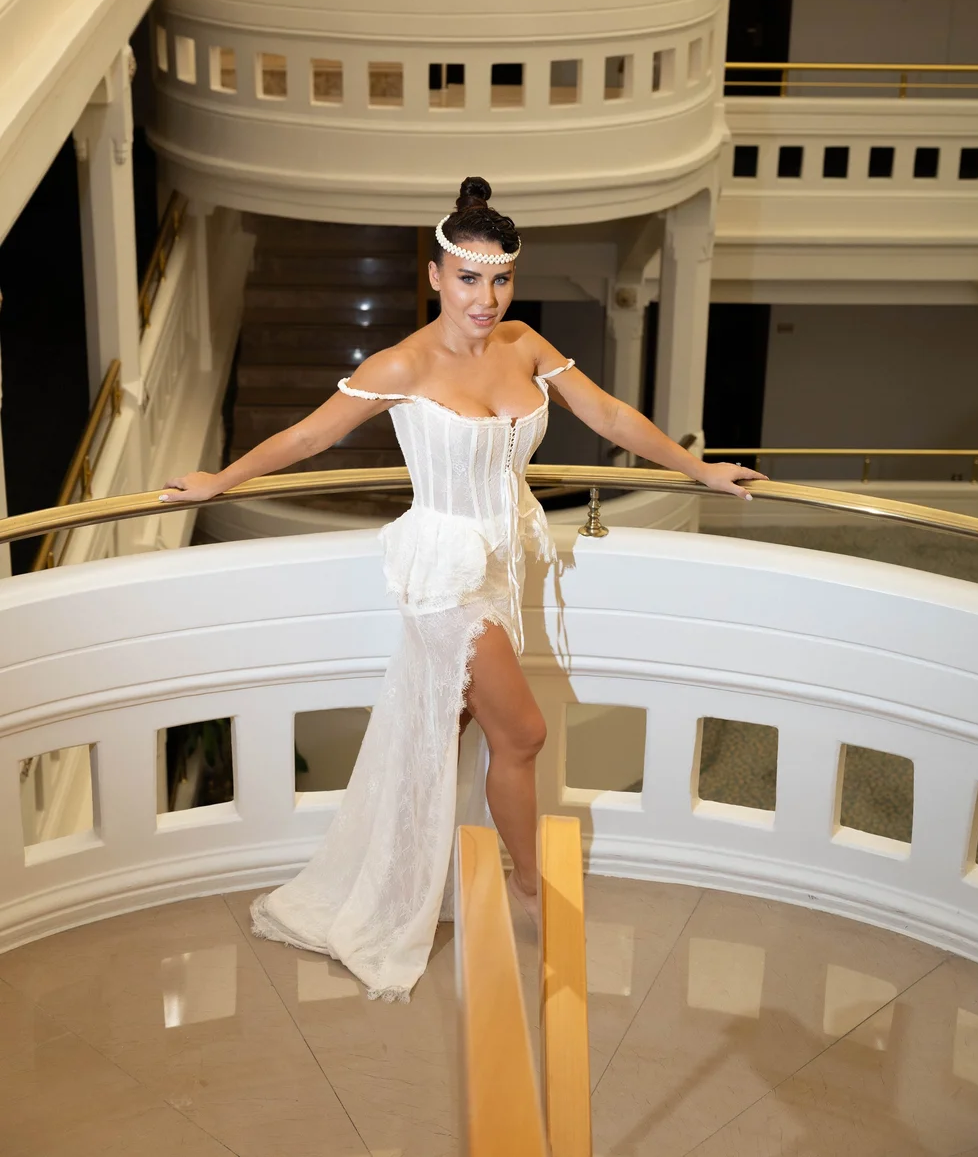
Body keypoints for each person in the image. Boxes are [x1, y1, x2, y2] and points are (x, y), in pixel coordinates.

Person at [159, 176, 765, 999]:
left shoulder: (525, 345)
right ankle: (527, 886)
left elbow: (612, 417)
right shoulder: (402, 364)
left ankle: (392, 875)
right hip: (444, 573)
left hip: (504, 561)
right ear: (436, 276)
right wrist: (218, 482)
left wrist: (701, 470)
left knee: (439, 734)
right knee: (522, 735)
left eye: (501, 278)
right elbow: (306, 437)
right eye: (469, 278)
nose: (487, 297)